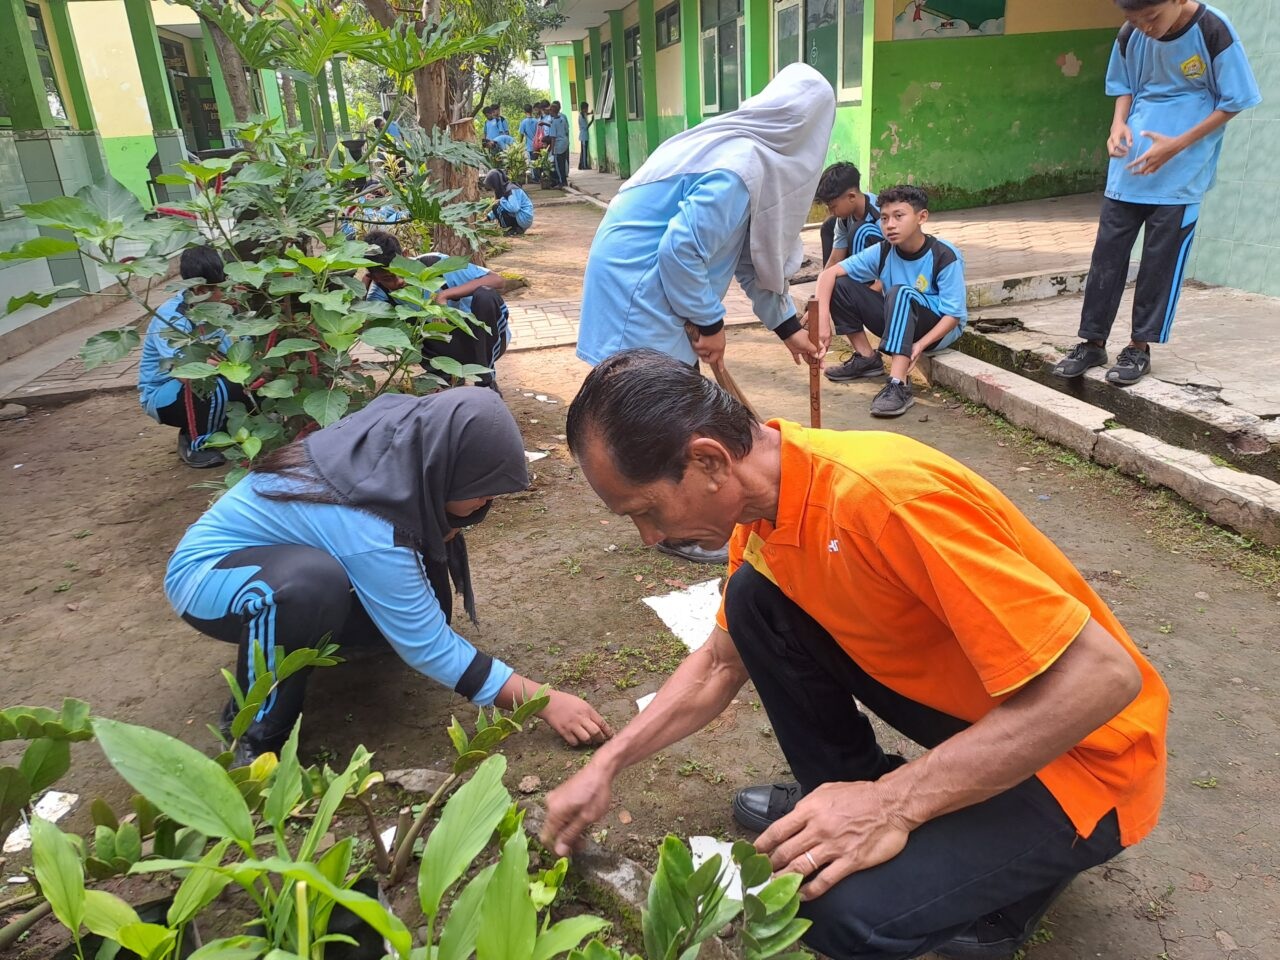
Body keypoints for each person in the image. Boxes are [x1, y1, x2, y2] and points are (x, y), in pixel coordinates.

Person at [541, 349, 1170, 960]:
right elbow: (718, 662)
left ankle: (1000, 889)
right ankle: (848, 794)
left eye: (647, 511)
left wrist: (892, 805)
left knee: (828, 912)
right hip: (987, 709)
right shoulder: (763, 509)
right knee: (759, 601)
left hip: (1085, 755)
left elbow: (1101, 678)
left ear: (708, 461)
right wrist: (608, 765)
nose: (650, 538)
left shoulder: (886, 499)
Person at [166, 388, 613, 765]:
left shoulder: (409, 437)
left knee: (421, 604)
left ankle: (313, 640)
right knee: (308, 590)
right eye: (481, 490)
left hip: (282, 557)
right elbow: (429, 648)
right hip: (214, 578)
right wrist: (545, 700)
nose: (488, 501)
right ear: (444, 468)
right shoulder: (369, 526)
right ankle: (253, 732)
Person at [1052, 0, 1259, 387]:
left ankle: (1139, 347)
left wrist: (1177, 145)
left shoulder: (1213, 28)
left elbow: (1234, 101)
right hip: (1129, 167)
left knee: (1159, 263)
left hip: (1181, 171)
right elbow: (1124, 86)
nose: (1144, 27)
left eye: (1151, 17)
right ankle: (1092, 342)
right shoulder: (1132, 32)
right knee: (1107, 257)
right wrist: (1117, 127)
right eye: (1134, 20)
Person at [815, 185, 966, 417]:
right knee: (840, 283)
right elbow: (828, 274)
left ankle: (898, 384)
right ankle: (867, 358)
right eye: (884, 218)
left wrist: (920, 345)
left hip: (937, 329)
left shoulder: (945, 255)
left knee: (900, 292)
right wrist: (823, 317)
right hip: (898, 319)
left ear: (921, 217)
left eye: (899, 216)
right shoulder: (883, 250)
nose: (890, 225)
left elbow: (953, 316)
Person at [137, 245, 247, 469]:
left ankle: (225, 428)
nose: (229, 292)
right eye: (222, 287)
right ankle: (194, 441)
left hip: (212, 377)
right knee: (209, 382)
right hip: (166, 394)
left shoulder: (221, 308)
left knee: (252, 379)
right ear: (199, 290)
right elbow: (187, 373)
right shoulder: (172, 317)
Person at [363, 230, 511, 390]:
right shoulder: (378, 291)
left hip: (486, 340)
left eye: (399, 272)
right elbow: (362, 324)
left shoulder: (434, 264)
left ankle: (486, 382)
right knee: (411, 326)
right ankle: (447, 380)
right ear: (375, 277)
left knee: (485, 296)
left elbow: (497, 280)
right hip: (445, 347)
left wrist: (444, 295)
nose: (399, 281)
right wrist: (364, 284)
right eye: (387, 278)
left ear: (405, 255)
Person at [815, 162, 882, 268]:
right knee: (828, 225)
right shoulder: (843, 220)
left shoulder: (882, 214)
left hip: (886, 268)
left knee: (860, 229)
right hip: (861, 260)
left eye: (832, 207)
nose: (831, 212)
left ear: (851, 197)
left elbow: (897, 258)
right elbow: (835, 259)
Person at [483, 168, 534, 236]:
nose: (493, 189)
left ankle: (510, 229)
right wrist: (487, 218)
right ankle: (516, 229)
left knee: (496, 206)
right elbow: (501, 208)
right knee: (497, 206)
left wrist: (500, 201)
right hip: (523, 218)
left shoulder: (511, 190)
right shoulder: (507, 188)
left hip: (523, 218)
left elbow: (514, 208)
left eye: (493, 187)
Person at [544, 101, 572, 187]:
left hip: (558, 145)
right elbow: (567, 131)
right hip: (565, 143)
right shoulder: (562, 119)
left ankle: (561, 182)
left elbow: (553, 138)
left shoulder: (553, 123)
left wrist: (552, 150)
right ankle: (564, 181)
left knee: (558, 165)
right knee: (563, 163)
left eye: (550, 111)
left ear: (553, 111)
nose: (549, 112)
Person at [577, 101, 594, 170]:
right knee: (584, 152)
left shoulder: (583, 114)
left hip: (585, 136)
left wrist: (590, 113)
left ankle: (581, 165)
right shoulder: (581, 117)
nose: (587, 110)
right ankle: (584, 165)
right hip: (583, 136)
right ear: (584, 108)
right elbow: (586, 127)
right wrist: (592, 121)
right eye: (587, 108)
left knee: (584, 151)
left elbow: (586, 113)